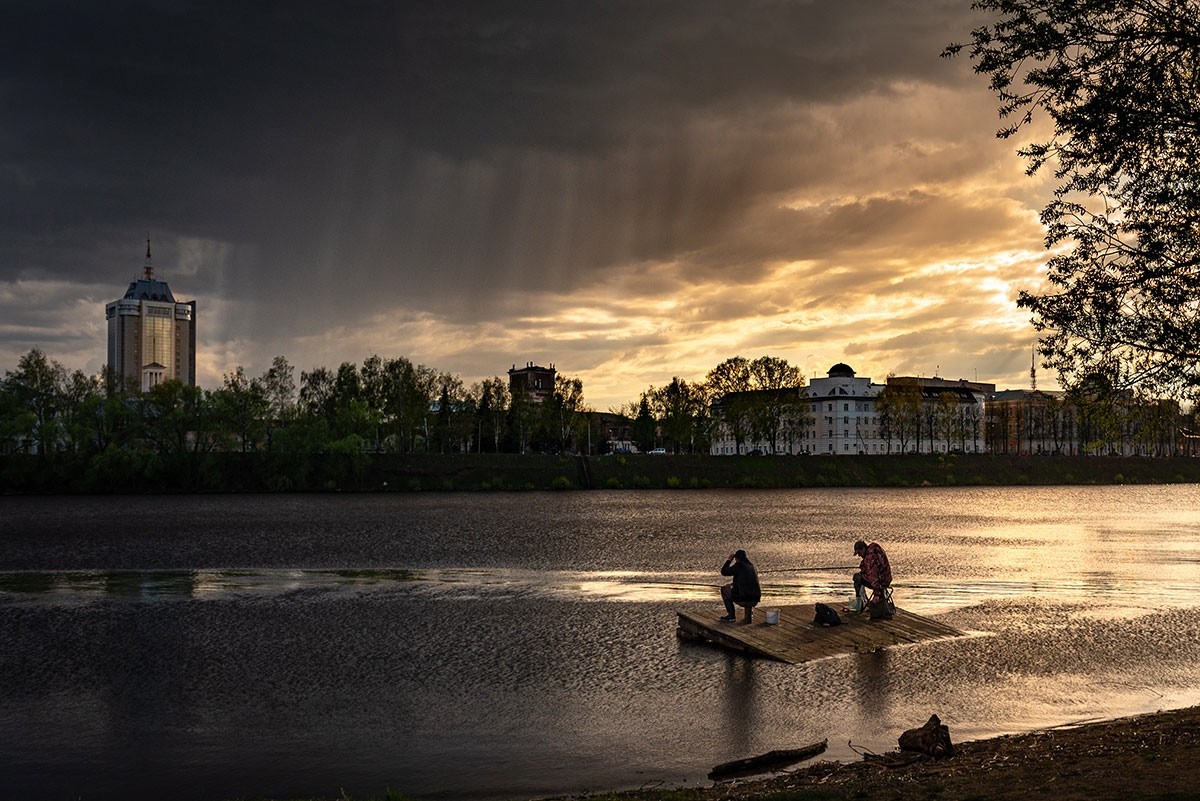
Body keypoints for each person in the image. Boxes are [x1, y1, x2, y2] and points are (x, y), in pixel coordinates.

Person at [719, 549, 761, 622]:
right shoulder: (751, 566)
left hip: (744, 599)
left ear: (736, 558)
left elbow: (724, 572)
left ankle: (731, 616)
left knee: (724, 589)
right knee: (747, 591)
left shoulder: (739, 565)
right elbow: (745, 581)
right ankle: (749, 614)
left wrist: (729, 560)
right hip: (755, 599)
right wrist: (733, 585)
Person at [852, 539, 892, 612]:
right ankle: (875, 598)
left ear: (863, 549)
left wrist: (876, 594)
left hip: (880, 583)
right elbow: (876, 566)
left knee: (857, 577)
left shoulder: (869, 559)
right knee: (861, 575)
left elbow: (874, 577)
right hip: (886, 578)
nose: (859, 555)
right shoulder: (875, 549)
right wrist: (863, 565)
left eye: (859, 552)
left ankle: (860, 603)